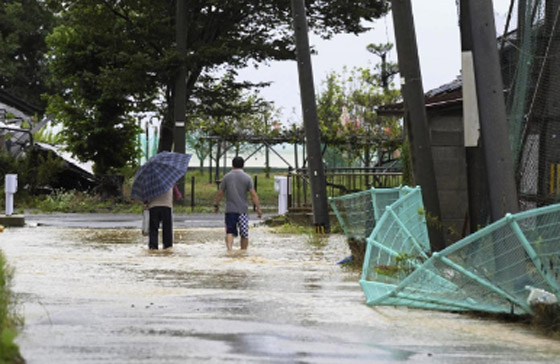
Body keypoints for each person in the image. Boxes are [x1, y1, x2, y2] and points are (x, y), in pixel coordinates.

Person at [214, 156, 262, 250]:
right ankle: (243, 252)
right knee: (244, 233)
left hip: (230, 210)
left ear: (232, 165)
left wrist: (216, 205)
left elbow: (220, 193)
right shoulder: (247, 178)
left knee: (229, 232)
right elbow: (253, 195)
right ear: (243, 165)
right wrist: (258, 209)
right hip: (243, 211)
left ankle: (229, 250)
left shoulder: (226, 177)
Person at [145, 184, 182, 250]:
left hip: (154, 207)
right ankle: (167, 247)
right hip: (166, 206)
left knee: (153, 229)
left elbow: (145, 196)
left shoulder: (151, 181)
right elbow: (177, 193)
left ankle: (153, 247)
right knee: (167, 229)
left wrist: (145, 201)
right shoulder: (169, 179)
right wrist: (178, 195)